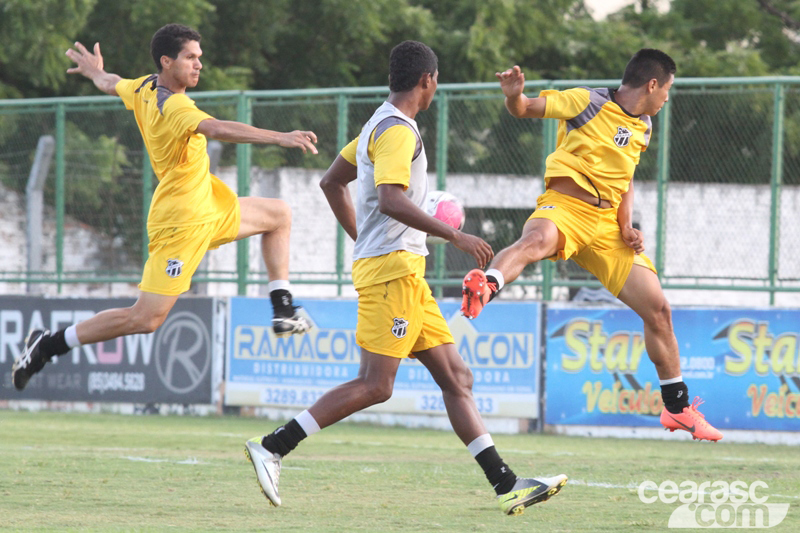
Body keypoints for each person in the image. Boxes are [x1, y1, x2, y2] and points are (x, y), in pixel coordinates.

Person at [244, 41, 567, 516]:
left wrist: (364, 236)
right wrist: (454, 235)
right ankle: (273, 446)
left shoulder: (377, 123)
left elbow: (332, 181)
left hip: (404, 271)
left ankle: (507, 485)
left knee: (457, 377)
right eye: (436, 82)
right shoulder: (397, 130)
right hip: (392, 272)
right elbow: (391, 198)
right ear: (427, 80)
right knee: (377, 384)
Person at [12, 24, 316, 391]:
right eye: (190, 57)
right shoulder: (175, 105)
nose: (198, 64)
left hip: (209, 206)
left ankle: (283, 308)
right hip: (181, 223)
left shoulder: (144, 87)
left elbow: (113, 83)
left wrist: (95, 72)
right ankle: (47, 345)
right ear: (167, 62)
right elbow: (217, 129)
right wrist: (281, 137)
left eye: (199, 57)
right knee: (145, 319)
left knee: (279, 214)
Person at [460, 49, 723, 442]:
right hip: (566, 208)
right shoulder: (587, 101)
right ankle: (487, 286)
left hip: (606, 228)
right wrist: (514, 96)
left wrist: (626, 225)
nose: (667, 97)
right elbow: (525, 108)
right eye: (667, 89)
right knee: (535, 240)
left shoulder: (644, 126)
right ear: (652, 84)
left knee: (658, 310)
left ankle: (677, 409)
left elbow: (625, 178)